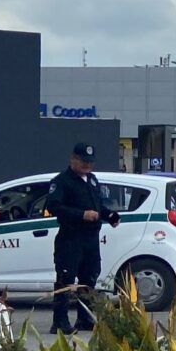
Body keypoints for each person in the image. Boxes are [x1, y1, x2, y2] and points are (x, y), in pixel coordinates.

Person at [45, 143, 121, 335]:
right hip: (71, 238)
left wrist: (109, 215)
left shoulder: (92, 180)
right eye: (83, 161)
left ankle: (84, 317)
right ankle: (60, 322)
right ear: (73, 159)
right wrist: (81, 214)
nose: (87, 165)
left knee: (89, 278)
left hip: (91, 239)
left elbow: (97, 206)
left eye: (90, 162)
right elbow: (53, 206)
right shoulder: (62, 181)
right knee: (66, 279)